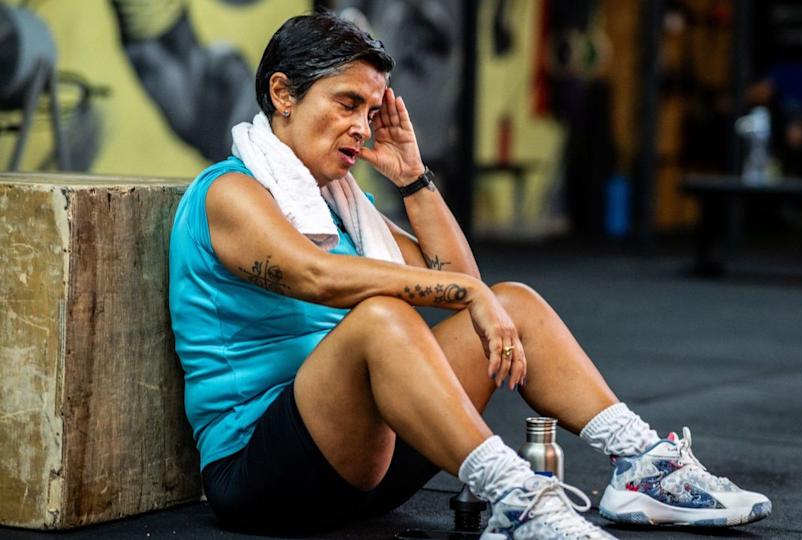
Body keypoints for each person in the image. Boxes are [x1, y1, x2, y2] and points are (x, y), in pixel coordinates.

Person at [168, 11, 771, 539]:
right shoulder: (230, 191)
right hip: (263, 477)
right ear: (282, 93)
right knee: (383, 318)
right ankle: (519, 500)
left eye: (371, 112)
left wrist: (412, 179)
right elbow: (316, 277)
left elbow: (463, 284)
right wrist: (467, 293)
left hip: (357, 463)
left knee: (516, 302)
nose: (361, 126)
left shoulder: (337, 203)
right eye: (346, 103)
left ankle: (643, 466)